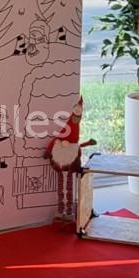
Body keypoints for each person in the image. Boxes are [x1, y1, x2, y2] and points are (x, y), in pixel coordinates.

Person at [45, 97, 96, 226]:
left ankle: (69, 212)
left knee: (69, 187)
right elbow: (54, 144)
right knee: (62, 188)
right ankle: (61, 211)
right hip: (62, 164)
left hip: (70, 166)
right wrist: (47, 152)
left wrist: (88, 143)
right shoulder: (59, 142)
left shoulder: (72, 145)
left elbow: (78, 146)